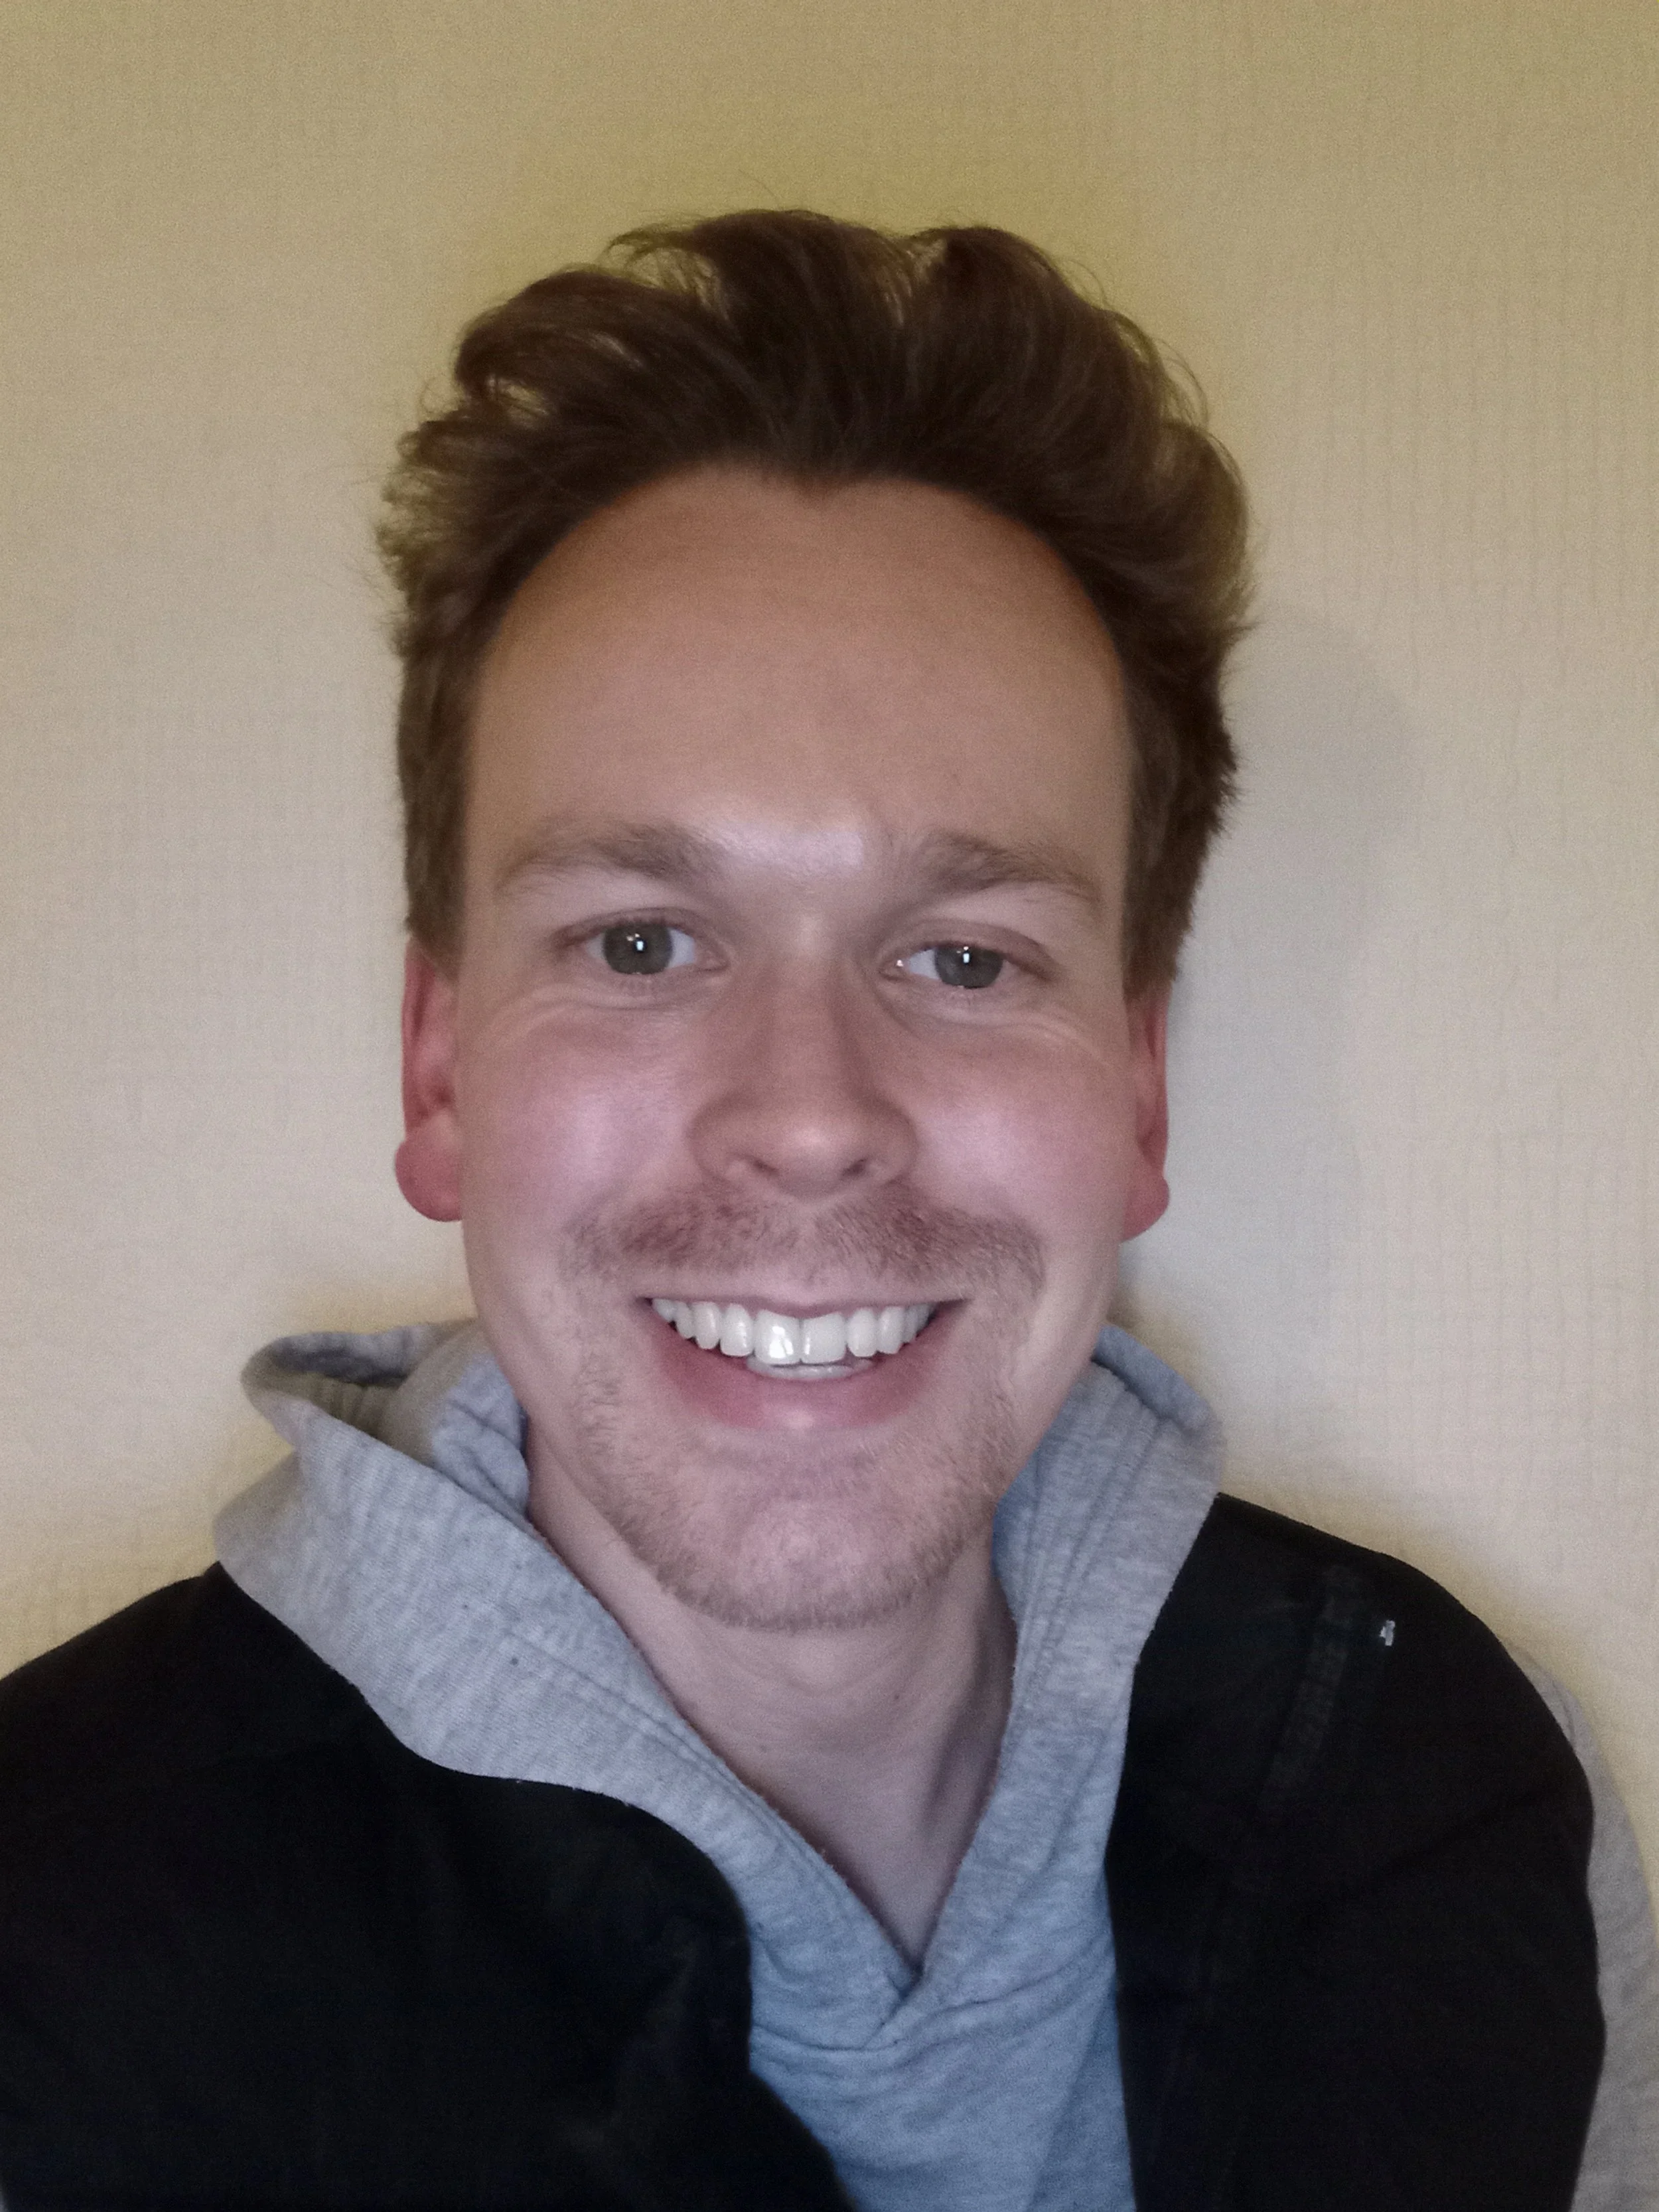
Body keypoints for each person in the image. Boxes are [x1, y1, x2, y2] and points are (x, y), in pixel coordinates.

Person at [0, 210, 1653, 2212]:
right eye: (638, 937)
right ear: (441, 1073)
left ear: (1133, 1091)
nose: (806, 1118)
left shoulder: (1443, 1781)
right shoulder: (55, 1964)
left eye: (961, 958)